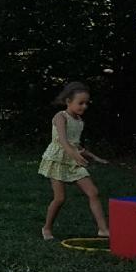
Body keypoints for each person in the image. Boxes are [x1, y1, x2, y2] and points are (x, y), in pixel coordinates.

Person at [39, 81, 110, 241]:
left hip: (73, 160)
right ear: (68, 101)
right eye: (80, 103)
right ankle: (47, 227)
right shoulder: (60, 117)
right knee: (60, 198)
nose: (84, 106)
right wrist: (75, 154)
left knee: (93, 192)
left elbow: (76, 144)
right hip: (57, 159)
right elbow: (64, 141)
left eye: (86, 103)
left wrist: (93, 156)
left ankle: (103, 229)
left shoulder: (79, 121)